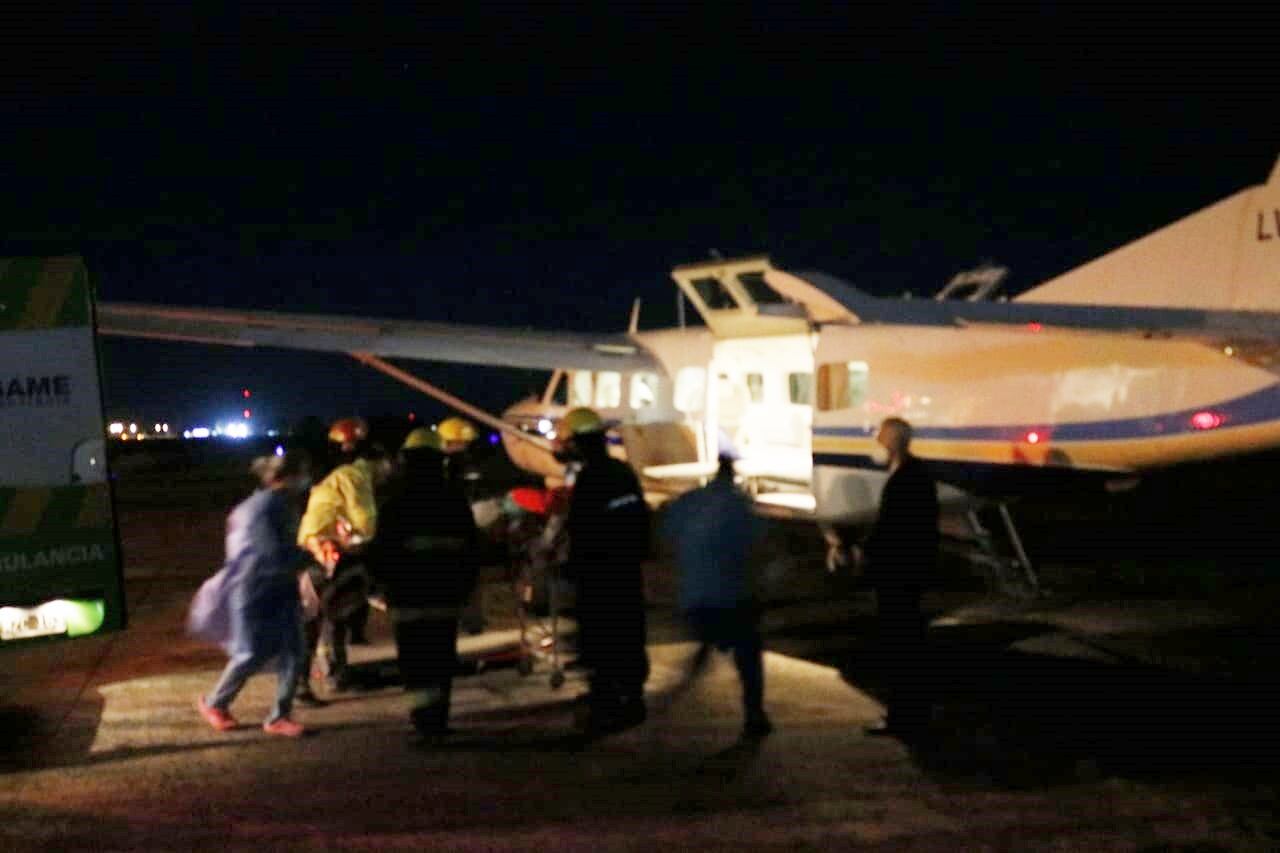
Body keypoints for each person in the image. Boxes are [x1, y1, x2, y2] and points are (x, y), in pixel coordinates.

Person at [368, 427, 478, 738]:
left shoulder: (394, 501)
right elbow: (471, 549)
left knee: (416, 666)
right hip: (445, 598)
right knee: (441, 661)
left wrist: (380, 587)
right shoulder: (454, 499)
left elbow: (380, 552)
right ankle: (439, 721)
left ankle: (423, 723)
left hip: (407, 599)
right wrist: (466, 590)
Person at [196, 450, 313, 737]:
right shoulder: (263, 509)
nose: (305, 481)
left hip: (277, 588)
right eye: (300, 475)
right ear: (282, 478)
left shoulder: (278, 505)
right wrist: (311, 556)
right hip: (254, 590)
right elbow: (271, 554)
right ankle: (215, 703)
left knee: (294, 652)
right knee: (250, 653)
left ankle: (278, 717)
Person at [662, 453, 773, 739]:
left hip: (698, 593)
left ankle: (679, 689)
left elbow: (668, 533)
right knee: (748, 656)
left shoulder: (691, 501)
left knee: (708, 640)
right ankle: (754, 715)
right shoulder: (741, 506)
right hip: (735, 594)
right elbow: (758, 545)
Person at [559, 407, 651, 735]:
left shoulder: (589, 480)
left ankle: (607, 701)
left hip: (598, 574)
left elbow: (582, 529)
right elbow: (640, 520)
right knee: (628, 632)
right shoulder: (623, 472)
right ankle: (632, 695)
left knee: (601, 637)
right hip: (625, 570)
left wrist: (571, 566)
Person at [852, 417, 939, 741]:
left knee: (900, 645)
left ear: (893, 441)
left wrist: (867, 552)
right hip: (910, 572)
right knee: (908, 644)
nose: (878, 441)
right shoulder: (919, 475)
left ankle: (903, 716)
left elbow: (892, 527)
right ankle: (912, 713)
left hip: (898, 573)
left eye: (883, 436)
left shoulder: (906, 477)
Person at [296, 416, 390, 696]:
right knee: (323, 619)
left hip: (314, 549)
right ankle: (307, 682)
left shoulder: (332, 474)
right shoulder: (355, 476)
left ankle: (327, 676)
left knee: (327, 617)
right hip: (327, 555)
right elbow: (366, 523)